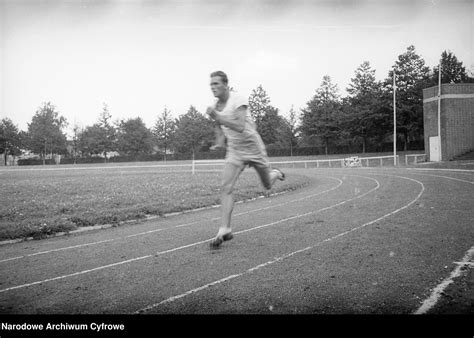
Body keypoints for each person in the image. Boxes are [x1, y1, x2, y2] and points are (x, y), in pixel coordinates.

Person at [206, 71, 285, 249]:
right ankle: (224, 228)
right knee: (225, 188)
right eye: (211, 84)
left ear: (226, 84)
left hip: (253, 148)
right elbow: (218, 127)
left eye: (216, 84)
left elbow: (240, 126)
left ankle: (275, 173)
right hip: (235, 151)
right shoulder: (215, 105)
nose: (213, 87)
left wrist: (217, 117)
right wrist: (219, 143)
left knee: (267, 186)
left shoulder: (238, 99)